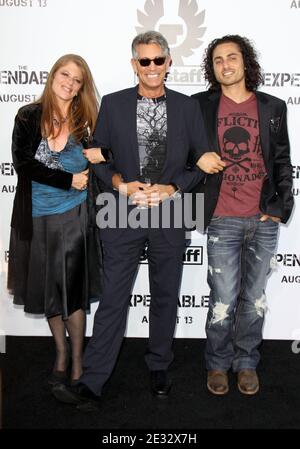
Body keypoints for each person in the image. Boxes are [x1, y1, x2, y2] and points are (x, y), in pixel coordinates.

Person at [52, 31, 220, 411]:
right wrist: (119, 184)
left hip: (172, 209)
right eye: (144, 61)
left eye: (158, 60)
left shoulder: (187, 107)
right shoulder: (112, 104)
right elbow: (98, 159)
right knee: (113, 298)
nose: (152, 68)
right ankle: (93, 380)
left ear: (168, 62)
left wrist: (172, 187)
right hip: (122, 209)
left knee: (165, 294)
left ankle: (160, 365)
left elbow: (201, 162)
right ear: (134, 65)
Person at [192, 35, 294, 395]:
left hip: (262, 217)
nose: (225, 65)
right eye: (217, 60)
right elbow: (183, 155)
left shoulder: (272, 107)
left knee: (254, 297)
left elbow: (282, 160)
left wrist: (281, 208)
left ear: (245, 62)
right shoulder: (199, 106)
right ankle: (217, 364)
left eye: (231, 57)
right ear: (212, 67)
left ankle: (247, 362)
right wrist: (197, 159)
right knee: (222, 296)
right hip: (221, 216)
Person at [7, 54, 105, 386]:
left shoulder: (87, 120)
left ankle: (78, 359)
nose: (69, 83)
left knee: (73, 291)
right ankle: (60, 352)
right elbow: (22, 164)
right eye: (65, 75)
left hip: (75, 215)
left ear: (81, 88)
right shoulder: (28, 116)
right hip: (35, 216)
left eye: (77, 80)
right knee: (49, 289)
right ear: (53, 77)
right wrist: (67, 179)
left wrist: (102, 157)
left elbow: (108, 155)